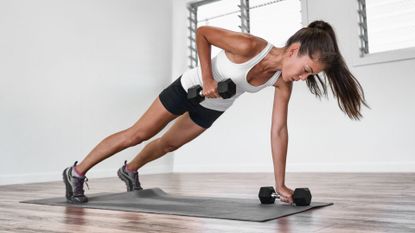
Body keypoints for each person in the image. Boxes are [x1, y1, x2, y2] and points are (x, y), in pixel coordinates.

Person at [63, 20, 369, 204]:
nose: (303, 79)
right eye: (305, 70)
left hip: (215, 104)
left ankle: (129, 171)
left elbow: (279, 131)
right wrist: (208, 78)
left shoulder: (282, 83)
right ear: (293, 51)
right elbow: (203, 32)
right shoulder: (250, 46)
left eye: (309, 76)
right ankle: (76, 172)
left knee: (169, 143)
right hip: (191, 86)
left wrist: (279, 184)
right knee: (139, 133)